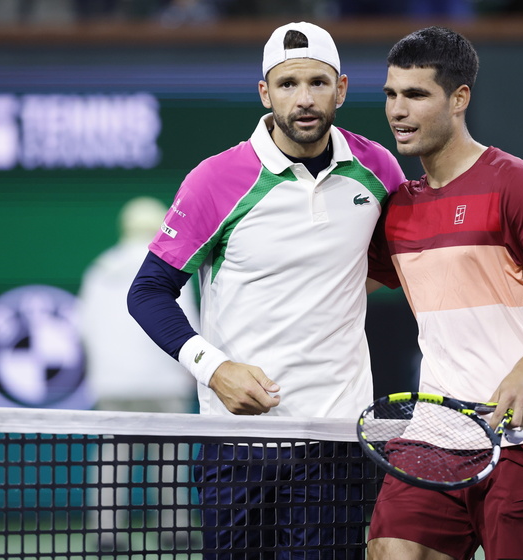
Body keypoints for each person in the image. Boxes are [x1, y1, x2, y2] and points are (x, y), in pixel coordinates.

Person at [127, 21, 405, 557]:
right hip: (236, 444)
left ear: (341, 89)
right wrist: (214, 368)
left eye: (318, 83)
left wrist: (335, 294)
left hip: (337, 439)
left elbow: (392, 264)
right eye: (288, 84)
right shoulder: (215, 179)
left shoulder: (378, 170)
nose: (304, 99)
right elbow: (148, 292)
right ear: (265, 92)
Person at [367, 26, 523, 560]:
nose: (398, 111)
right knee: (388, 552)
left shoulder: (518, 185)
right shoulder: (399, 209)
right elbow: (340, 291)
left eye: (416, 95)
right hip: (433, 434)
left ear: (458, 99)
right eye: (391, 94)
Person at [78, 196, 199, 551]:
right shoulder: (171, 267)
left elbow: (84, 328)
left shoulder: (99, 269)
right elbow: (185, 326)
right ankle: (175, 531)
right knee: (170, 462)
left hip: (113, 384)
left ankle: (106, 534)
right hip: (164, 383)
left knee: (111, 463)